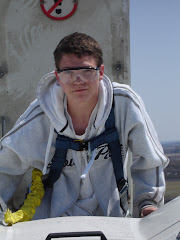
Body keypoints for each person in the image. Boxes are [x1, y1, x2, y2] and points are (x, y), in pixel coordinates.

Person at [0, 32, 169, 223]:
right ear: (57, 76)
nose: (77, 80)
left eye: (87, 70)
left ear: (101, 72)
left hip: (111, 220)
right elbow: (5, 167)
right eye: (68, 72)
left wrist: (147, 203)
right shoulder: (40, 116)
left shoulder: (123, 104)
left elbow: (149, 158)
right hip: (49, 222)